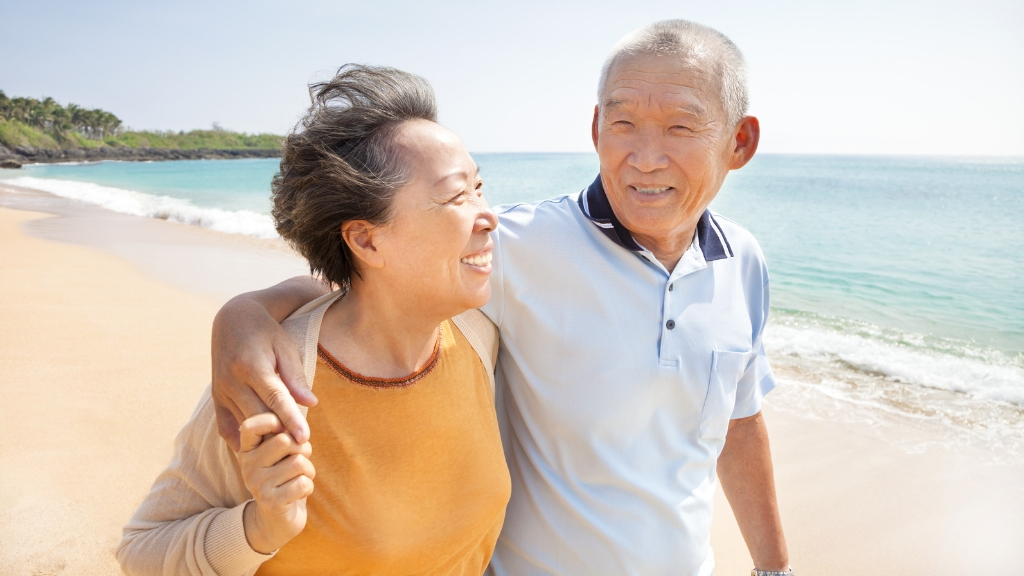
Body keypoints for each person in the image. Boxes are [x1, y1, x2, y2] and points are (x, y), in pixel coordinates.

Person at [211, 20, 792, 576]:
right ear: (595, 129)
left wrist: (774, 568)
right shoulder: (518, 244)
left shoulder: (742, 262)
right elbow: (381, 279)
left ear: (739, 142)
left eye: (681, 128)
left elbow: (739, 422)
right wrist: (247, 313)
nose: (644, 156)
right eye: (623, 125)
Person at [117, 64, 511, 576]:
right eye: (457, 196)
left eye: (479, 188)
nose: (489, 215)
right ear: (367, 240)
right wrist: (259, 530)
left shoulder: (478, 334)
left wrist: (251, 305)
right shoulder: (276, 379)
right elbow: (142, 552)